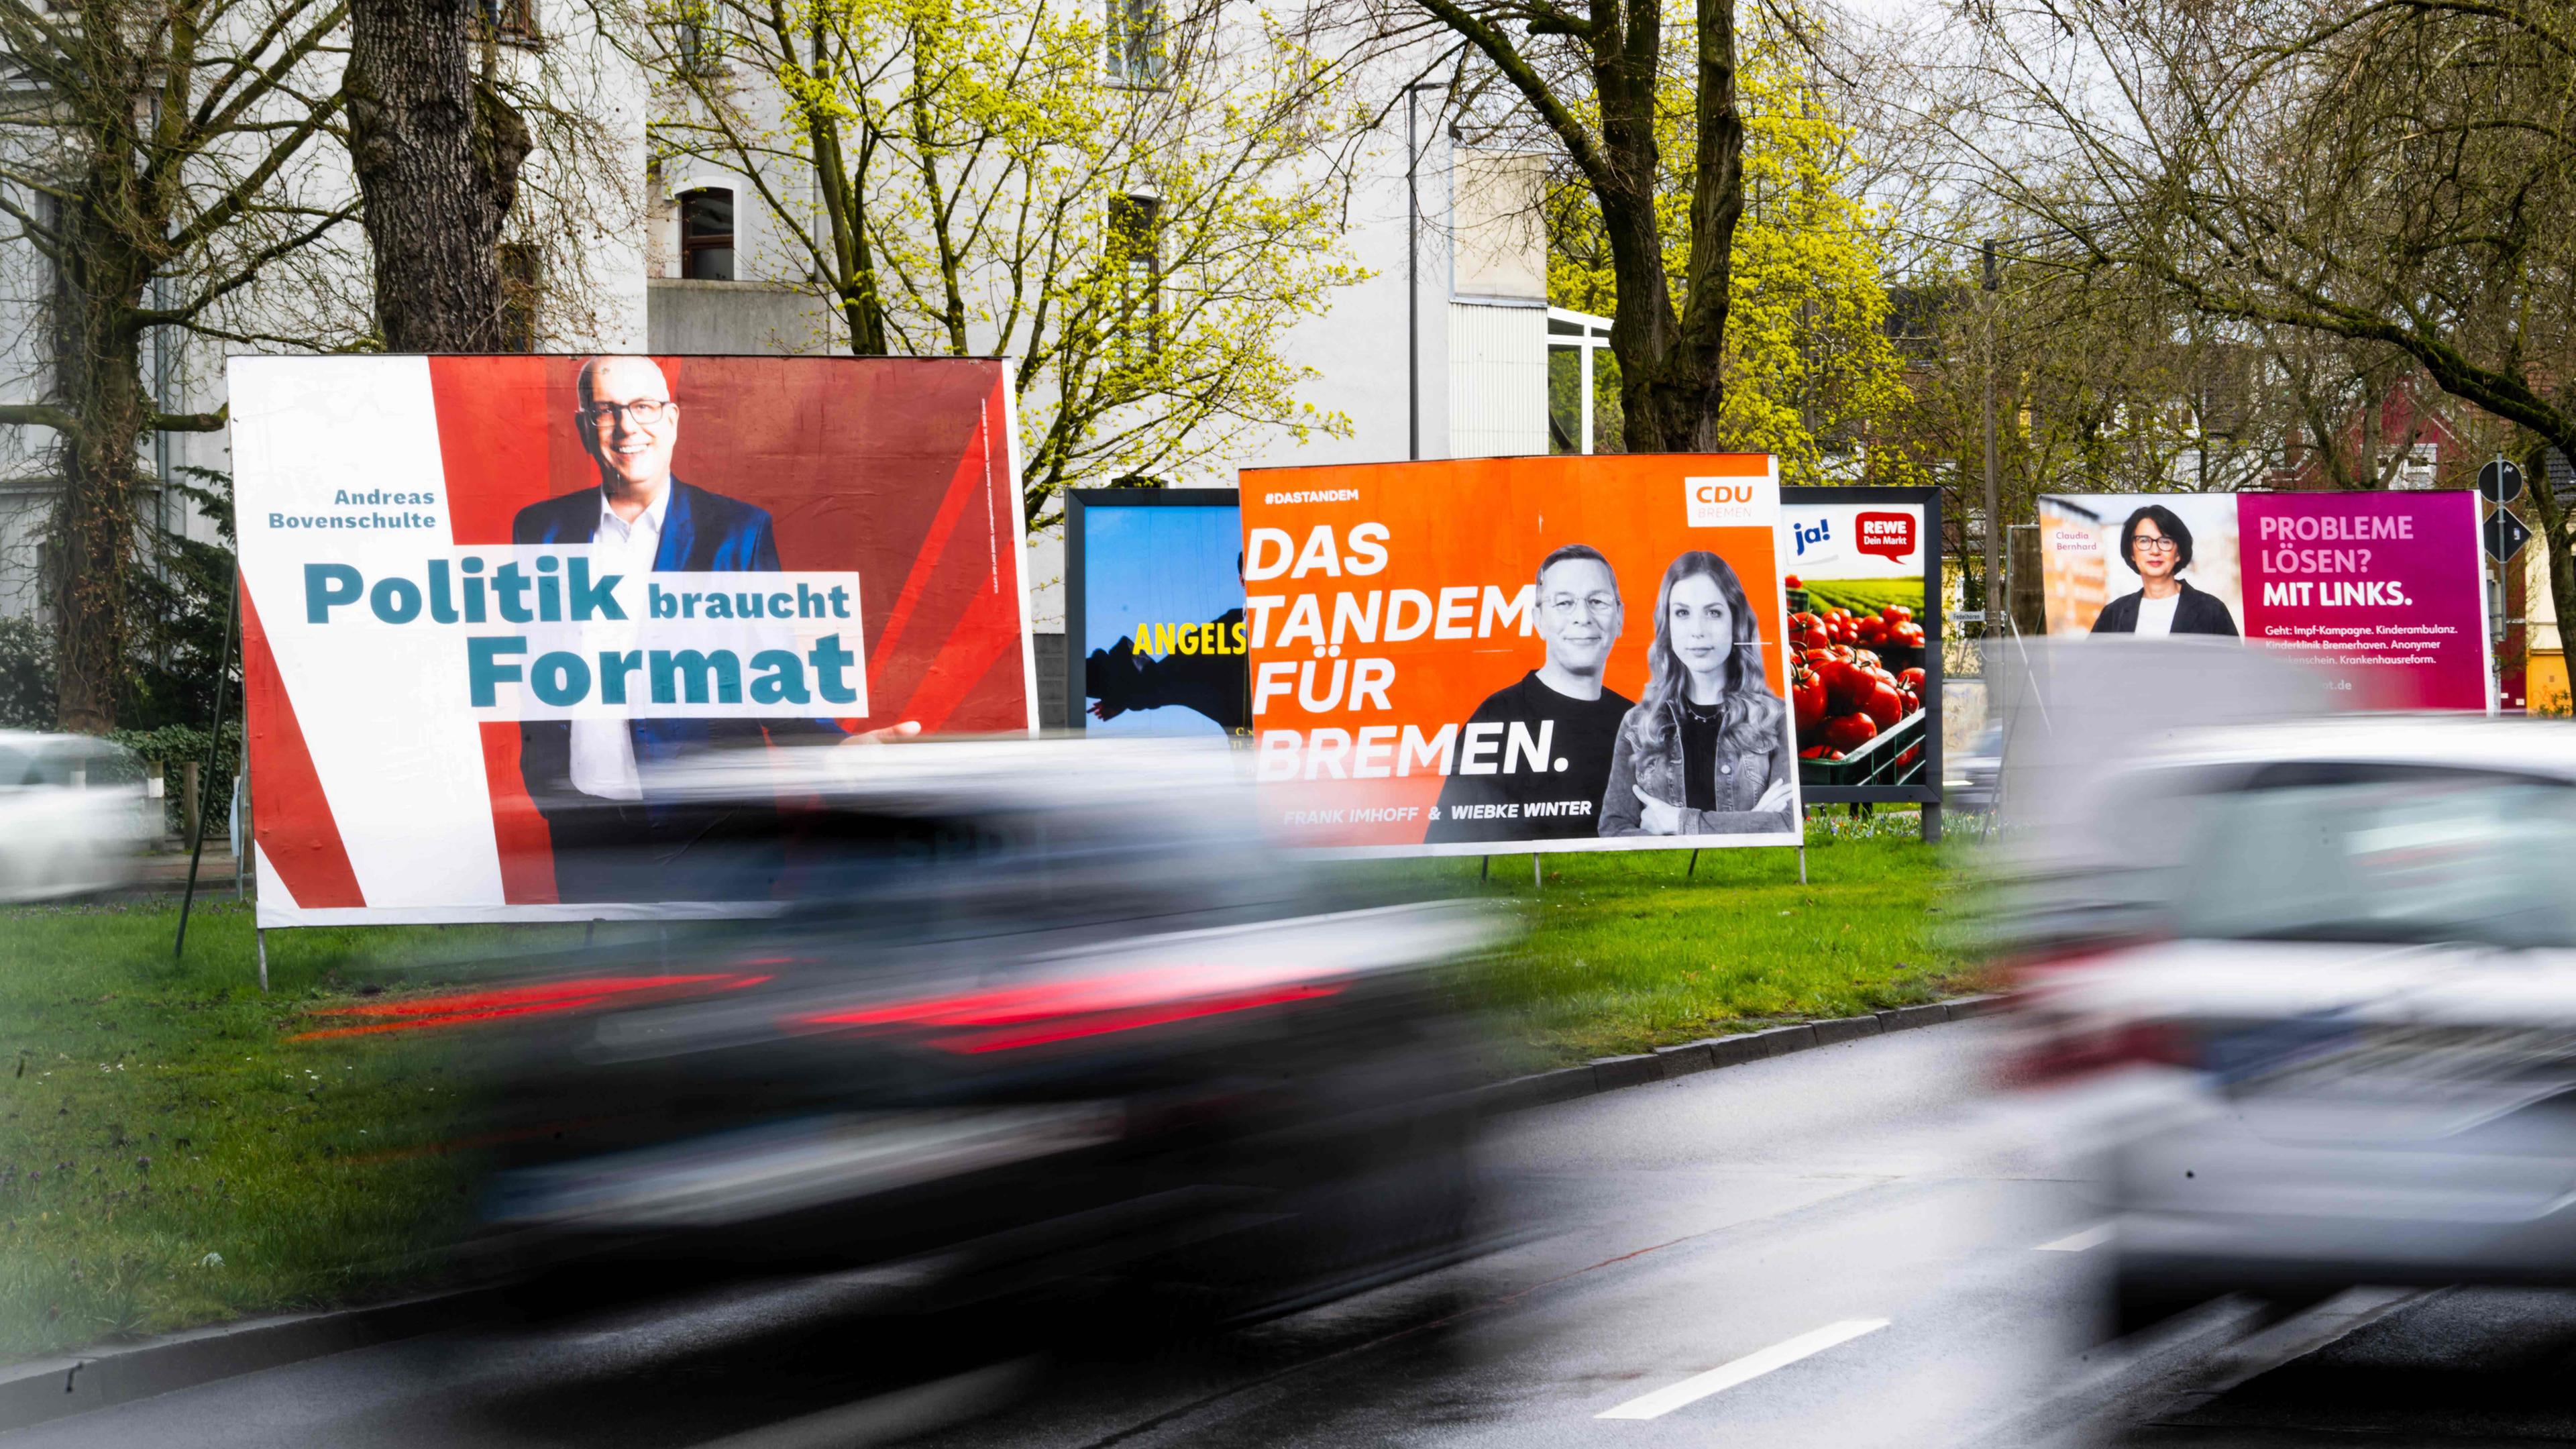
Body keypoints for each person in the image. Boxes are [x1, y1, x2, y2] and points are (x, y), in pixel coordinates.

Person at [512, 355, 907, 902]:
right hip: (586, 827)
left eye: (644, 407)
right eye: (606, 411)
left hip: (709, 828)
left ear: (671, 419)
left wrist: (829, 748)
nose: (628, 427)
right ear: (584, 427)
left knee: (715, 980)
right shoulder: (540, 527)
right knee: (610, 983)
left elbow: (770, 674)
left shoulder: (736, 531)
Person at [1428, 545, 1634, 843]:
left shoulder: (1640, 723)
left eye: (1597, 601)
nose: (1583, 617)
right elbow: (1451, 848)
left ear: (1620, 617)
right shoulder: (1496, 717)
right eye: (1564, 603)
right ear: (1539, 620)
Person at [1599, 551, 1796, 838]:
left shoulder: (1776, 718)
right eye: (1682, 613)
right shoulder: (1638, 724)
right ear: (1668, 625)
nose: (1698, 631)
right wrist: (1752, 822)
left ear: (1736, 622)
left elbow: (1790, 825)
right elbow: (1613, 828)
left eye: (1713, 612)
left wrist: (1677, 822)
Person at [2090, 504, 2239, 636]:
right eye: (2144, 541)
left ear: (2178, 553)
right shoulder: (2113, 614)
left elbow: (2235, 665)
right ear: (2132, 552)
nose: (2155, 550)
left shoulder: (2211, 610)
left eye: (2165, 541)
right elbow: (2090, 664)